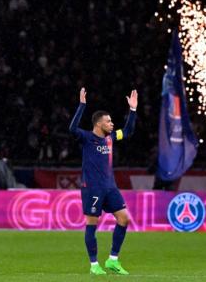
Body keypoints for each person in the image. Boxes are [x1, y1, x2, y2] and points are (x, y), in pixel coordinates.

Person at [69, 87, 137, 275]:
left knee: (124, 219)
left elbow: (129, 130)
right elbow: (72, 129)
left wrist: (132, 110)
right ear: (99, 124)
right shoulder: (86, 138)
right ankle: (94, 265)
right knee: (92, 224)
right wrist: (82, 106)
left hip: (110, 187)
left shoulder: (111, 138)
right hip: (92, 188)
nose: (112, 124)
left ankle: (113, 260)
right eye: (108, 121)